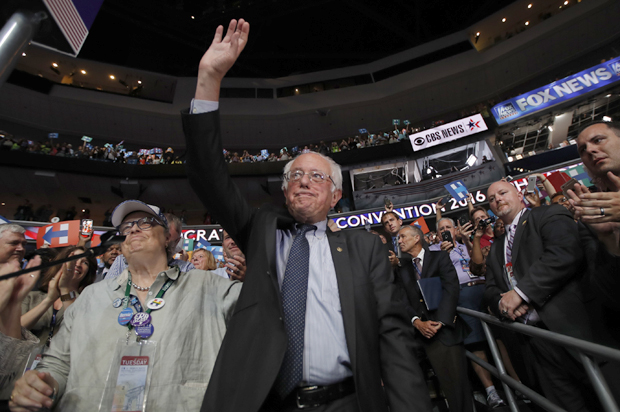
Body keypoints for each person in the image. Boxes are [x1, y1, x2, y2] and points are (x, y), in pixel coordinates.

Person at [182, 19, 431, 412]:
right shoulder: (262, 232)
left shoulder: (364, 248)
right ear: (284, 191)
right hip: (267, 402)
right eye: (295, 175)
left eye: (317, 176)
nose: (304, 181)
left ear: (335, 195)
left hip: (348, 402)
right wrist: (209, 78)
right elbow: (208, 177)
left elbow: (392, 339)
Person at [9, 200, 242, 411]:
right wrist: (42, 385)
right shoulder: (90, 297)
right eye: (126, 227)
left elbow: (264, 314)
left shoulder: (211, 287)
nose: (134, 229)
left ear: (168, 237)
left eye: (146, 223)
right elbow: (57, 364)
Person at [484, 179, 595, 412]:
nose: (497, 200)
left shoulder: (547, 214)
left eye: (502, 193)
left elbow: (564, 253)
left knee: (603, 394)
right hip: (533, 341)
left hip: (571, 328)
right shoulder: (496, 247)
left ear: (518, 193)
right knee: (563, 403)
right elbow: (491, 289)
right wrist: (502, 305)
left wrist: (521, 294)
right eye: (491, 199)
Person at [395, 225, 473, 412]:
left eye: (403, 236)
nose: (399, 241)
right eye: (398, 238)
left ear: (417, 238)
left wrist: (441, 321)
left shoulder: (440, 258)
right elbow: (401, 298)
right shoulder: (402, 268)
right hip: (418, 335)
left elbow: (451, 288)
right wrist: (416, 321)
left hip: (445, 332)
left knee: (457, 387)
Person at [21, 246, 96, 344]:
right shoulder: (31, 297)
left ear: (88, 272)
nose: (77, 264)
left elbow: (77, 332)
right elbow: (16, 330)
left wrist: (65, 289)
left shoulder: (89, 301)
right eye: (73, 259)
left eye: (85, 262)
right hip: (25, 356)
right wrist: (49, 300)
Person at [106, 211, 194, 280]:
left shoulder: (186, 269)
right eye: (127, 227)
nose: (134, 229)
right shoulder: (121, 262)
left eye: (168, 238)